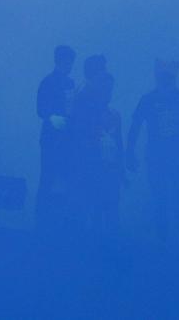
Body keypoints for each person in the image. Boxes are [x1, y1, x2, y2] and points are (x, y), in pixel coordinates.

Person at [126, 59, 179, 248]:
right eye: (162, 76)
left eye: (168, 76)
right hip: (156, 158)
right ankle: (163, 240)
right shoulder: (147, 100)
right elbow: (135, 127)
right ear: (157, 77)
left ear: (174, 77)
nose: (165, 80)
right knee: (160, 198)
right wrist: (129, 152)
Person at [68, 56, 122, 241]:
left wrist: (120, 169)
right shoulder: (83, 98)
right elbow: (79, 132)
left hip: (106, 164)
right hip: (90, 161)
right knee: (93, 202)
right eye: (105, 87)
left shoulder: (113, 115)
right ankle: (92, 240)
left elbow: (118, 144)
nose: (108, 92)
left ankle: (105, 240)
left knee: (108, 203)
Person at [35, 45, 77, 229]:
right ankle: (41, 220)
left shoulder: (71, 84)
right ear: (60, 60)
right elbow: (40, 108)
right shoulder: (47, 82)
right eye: (68, 61)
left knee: (66, 178)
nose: (70, 65)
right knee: (48, 177)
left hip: (68, 140)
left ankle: (61, 220)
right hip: (51, 139)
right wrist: (52, 117)